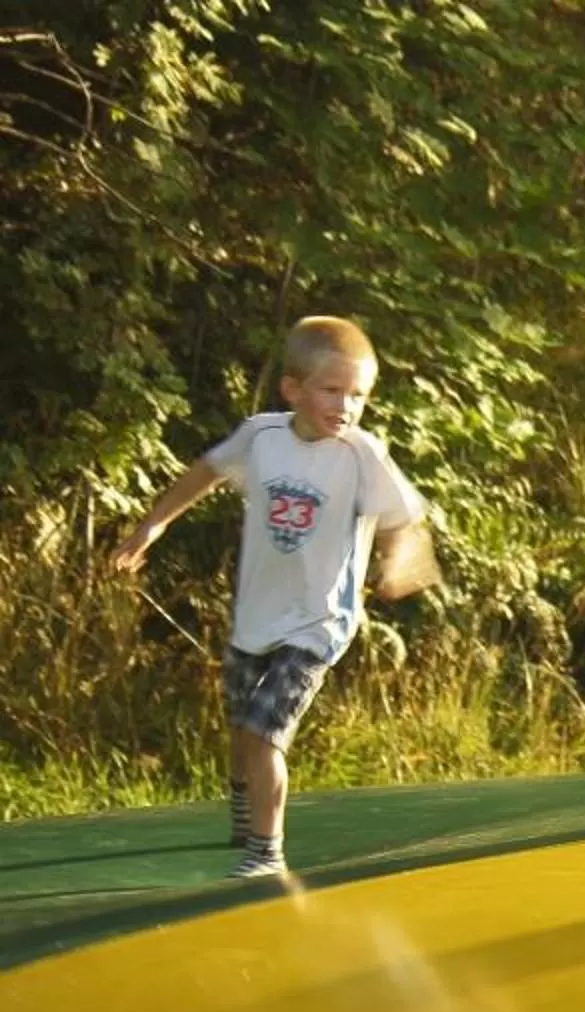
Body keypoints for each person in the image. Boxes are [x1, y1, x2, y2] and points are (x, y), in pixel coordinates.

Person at [108, 315, 434, 879]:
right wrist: (152, 525)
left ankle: (266, 853)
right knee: (240, 727)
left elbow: (403, 519)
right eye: (332, 391)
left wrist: (396, 562)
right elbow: (205, 472)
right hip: (256, 617)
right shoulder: (261, 437)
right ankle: (244, 806)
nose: (346, 406)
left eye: (358, 395)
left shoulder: (362, 454)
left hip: (319, 623)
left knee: (264, 732)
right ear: (293, 389)